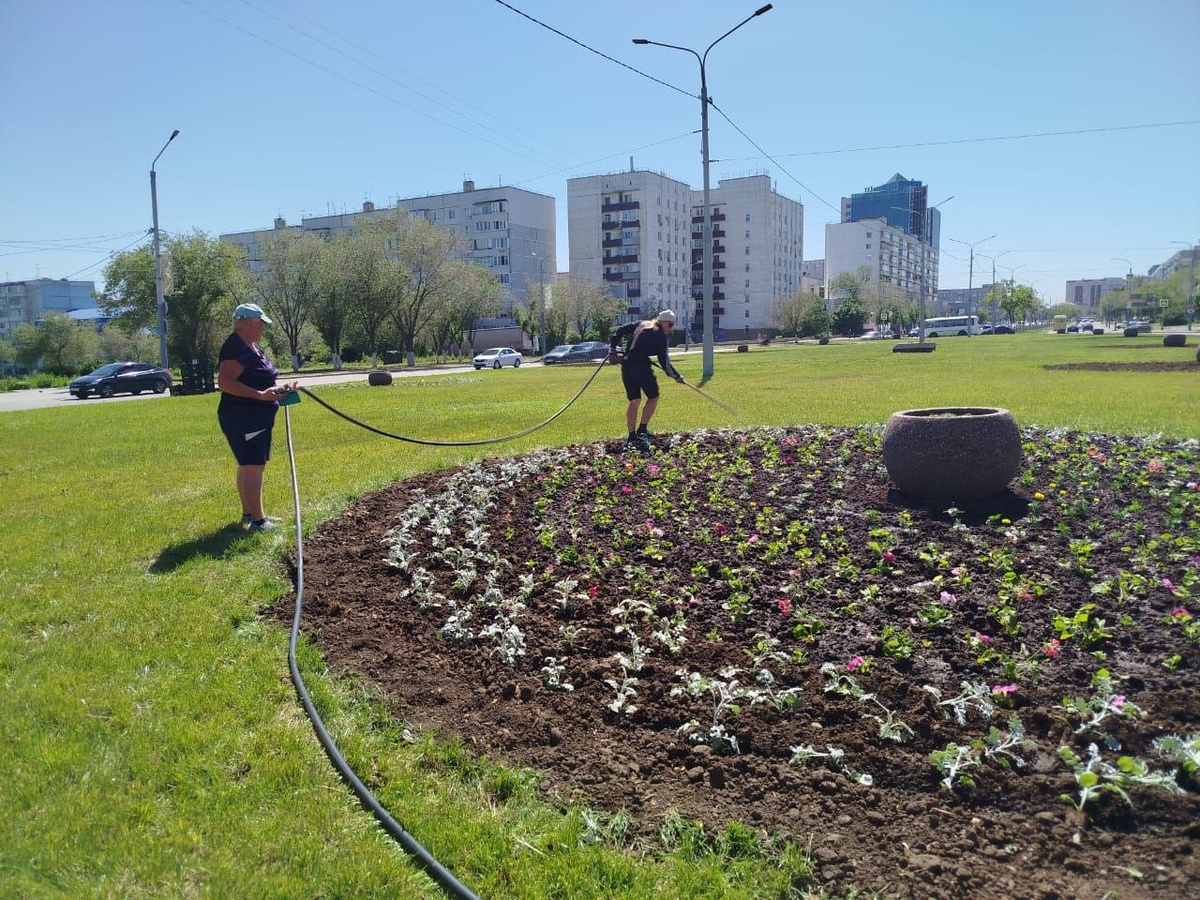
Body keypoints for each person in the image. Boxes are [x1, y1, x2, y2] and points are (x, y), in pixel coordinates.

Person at [216, 303, 297, 531]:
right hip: (245, 417)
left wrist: (280, 389)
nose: (263, 328)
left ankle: (250, 514)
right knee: (253, 466)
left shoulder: (250, 346)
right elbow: (226, 382)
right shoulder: (235, 348)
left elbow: (259, 378)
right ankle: (259, 522)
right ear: (249, 323)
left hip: (255, 415)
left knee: (247, 465)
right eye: (262, 323)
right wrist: (260, 395)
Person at [609, 309, 684, 451]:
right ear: (664, 322)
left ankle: (632, 435)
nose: (670, 329)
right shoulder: (660, 335)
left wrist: (612, 348)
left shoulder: (641, 323)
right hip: (641, 368)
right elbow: (664, 361)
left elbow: (620, 330)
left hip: (627, 365)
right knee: (653, 396)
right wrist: (676, 376)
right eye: (671, 325)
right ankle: (642, 429)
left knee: (635, 400)